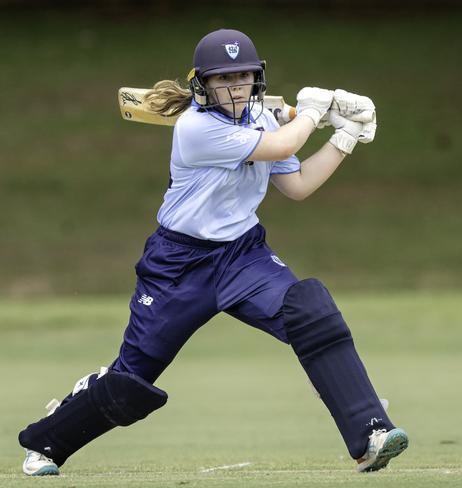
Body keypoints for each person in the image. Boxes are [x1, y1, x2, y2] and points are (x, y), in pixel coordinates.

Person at [18, 28, 408, 476]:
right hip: (177, 265)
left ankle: (371, 433)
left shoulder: (264, 120)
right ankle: (48, 440)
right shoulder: (195, 128)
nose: (235, 87)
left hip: (243, 255)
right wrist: (315, 111)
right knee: (130, 382)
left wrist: (344, 138)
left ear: (256, 79)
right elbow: (283, 144)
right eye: (223, 79)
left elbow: (297, 186)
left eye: (242, 76)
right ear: (201, 85)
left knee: (311, 311)